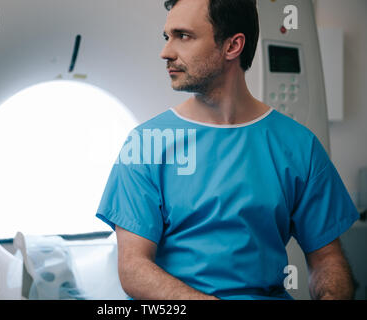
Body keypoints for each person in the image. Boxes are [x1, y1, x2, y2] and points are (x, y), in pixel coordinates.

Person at [96, 0, 359, 300]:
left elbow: (327, 258)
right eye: (166, 37)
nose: (166, 52)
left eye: (183, 36)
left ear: (232, 46)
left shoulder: (299, 146)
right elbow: (133, 267)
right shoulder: (146, 143)